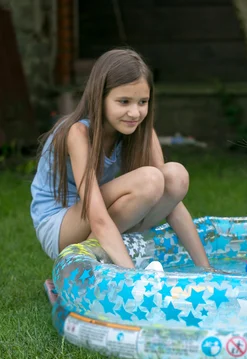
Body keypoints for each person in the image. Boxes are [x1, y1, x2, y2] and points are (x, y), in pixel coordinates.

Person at [30, 49, 211, 270]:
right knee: (150, 180)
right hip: (60, 226)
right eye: (124, 101)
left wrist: (207, 269)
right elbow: (96, 215)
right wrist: (133, 279)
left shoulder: (139, 130)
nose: (134, 113)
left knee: (175, 177)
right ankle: (81, 265)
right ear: (100, 98)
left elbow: (172, 203)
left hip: (98, 218)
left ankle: (102, 255)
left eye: (142, 102)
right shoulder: (77, 133)